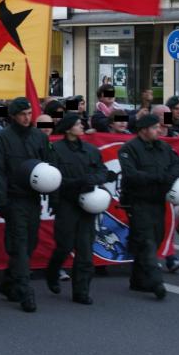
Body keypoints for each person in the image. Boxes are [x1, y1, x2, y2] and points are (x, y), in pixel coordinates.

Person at [0, 97, 54, 313]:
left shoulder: (39, 137)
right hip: (13, 199)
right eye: (22, 114)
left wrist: (51, 193)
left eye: (29, 113)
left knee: (30, 244)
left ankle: (8, 283)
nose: (27, 118)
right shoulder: (1, 139)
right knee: (19, 244)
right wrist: (2, 202)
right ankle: (26, 292)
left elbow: (49, 167)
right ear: (13, 116)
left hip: (33, 199)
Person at [46, 113, 116, 305]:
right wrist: (74, 184)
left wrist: (95, 180)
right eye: (78, 124)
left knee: (85, 249)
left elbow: (101, 170)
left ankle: (81, 291)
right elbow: (52, 178)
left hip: (88, 204)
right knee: (64, 245)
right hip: (67, 203)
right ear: (68, 128)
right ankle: (52, 271)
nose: (82, 126)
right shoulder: (55, 150)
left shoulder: (91, 150)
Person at [118, 114, 179, 299]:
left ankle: (137, 281)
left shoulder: (163, 147)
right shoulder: (129, 149)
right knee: (146, 242)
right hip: (138, 202)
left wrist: (168, 177)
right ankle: (157, 283)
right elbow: (131, 174)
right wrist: (157, 179)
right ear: (143, 130)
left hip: (158, 202)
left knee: (155, 239)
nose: (159, 130)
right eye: (155, 127)